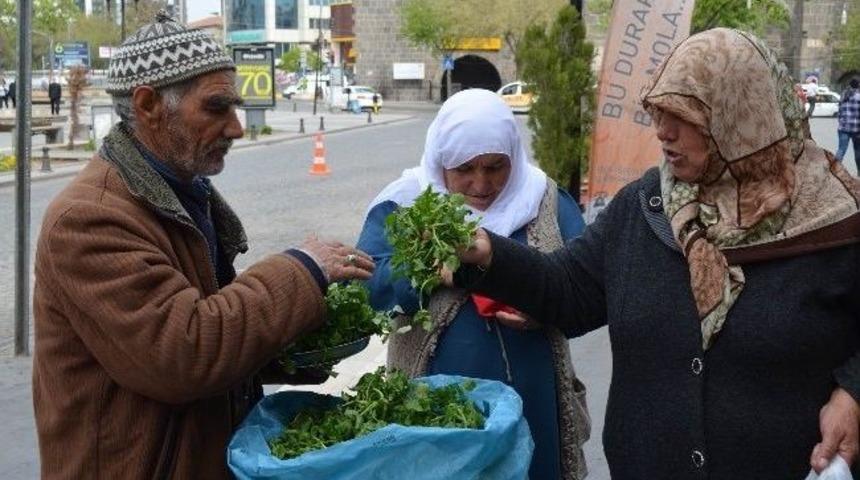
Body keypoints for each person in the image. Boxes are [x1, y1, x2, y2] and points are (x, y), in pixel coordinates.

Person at [452, 28, 860, 479]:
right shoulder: (645, 206)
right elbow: (568, 289)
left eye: (684, 116)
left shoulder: (837, 219)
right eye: (659, 112)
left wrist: (853, 394)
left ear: (741, 116)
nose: (663, 132)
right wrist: (488, 254)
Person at [32, 12, 375, 479]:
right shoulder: (88, 220)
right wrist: (302, 269)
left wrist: (297, 346)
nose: (236, 128)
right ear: (149, 105)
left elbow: (210, 325)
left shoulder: (181, 191)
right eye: (216, 108)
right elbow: (183, 354)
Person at [357, 89, 591, 479]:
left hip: (534, 400)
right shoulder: (405, 205)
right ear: (440, 161)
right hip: (437, 408)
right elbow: (367, 286)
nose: (481, 184)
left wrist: (544, 307)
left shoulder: (545, 200)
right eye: (464, 168)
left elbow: (585, 285)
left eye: (496, 167)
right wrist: (424, 267)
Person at [836, 78, 860, 170]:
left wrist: (841, 121)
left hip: (843, 127)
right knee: (858, 151)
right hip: (857, 129)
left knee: (841, 150)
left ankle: (834, 169)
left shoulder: (844, 95)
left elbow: (839, 112)